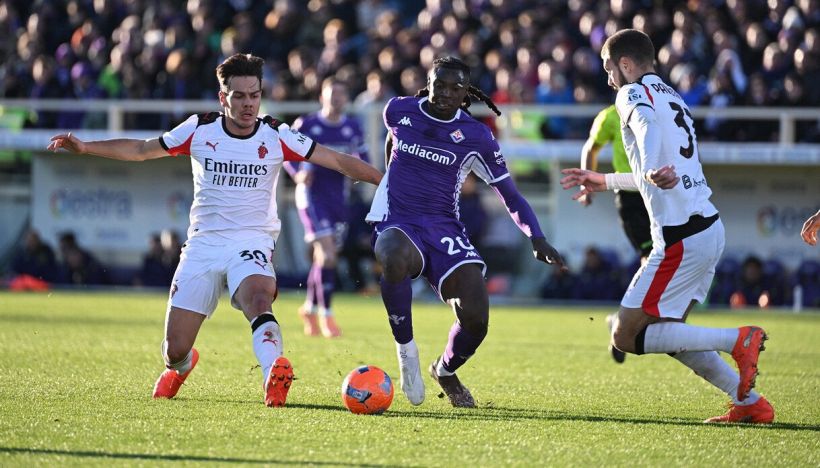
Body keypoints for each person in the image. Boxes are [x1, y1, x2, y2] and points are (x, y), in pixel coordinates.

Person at [47, 53, 382, 407]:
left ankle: (274, 372)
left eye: (254, 95)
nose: (248, 103)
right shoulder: (199, 129)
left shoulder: (277, 134)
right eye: (239, 96)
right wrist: (85, 147)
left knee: (258, 297)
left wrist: (384, 180)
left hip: (252, 240)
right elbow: (143, 150)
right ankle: (182, 365)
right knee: (173, 350)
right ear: (224, 98)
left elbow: (338, 160)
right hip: (204, 245)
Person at [560, 30, 773, 424]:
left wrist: (656, 165)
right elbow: (652, 173)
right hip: (708, 229)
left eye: (609, 69)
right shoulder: (672, 96)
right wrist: (605, 180)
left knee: (624, 335)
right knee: (670, 333)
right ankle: (750, 404)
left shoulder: (631, 94)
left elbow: (644, 131)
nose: (608, 79)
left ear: (625, 65)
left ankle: (737, 339)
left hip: (681, 239)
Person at [367, 56, 566, 408]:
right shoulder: (398, 110)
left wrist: (535, 236)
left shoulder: (476, 136)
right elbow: (392, 142)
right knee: (391, 253)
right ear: (428, 82)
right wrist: (389, 184)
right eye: (439, 84)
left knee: (476, 317)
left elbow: (510, 194)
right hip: (401, 219)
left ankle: (444, 369)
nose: (445, 93)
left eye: (455, 88)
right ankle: (406, 352)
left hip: (444, 225)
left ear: (465, 94)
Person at [284, 77, 369, 338]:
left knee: (325, 258)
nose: (336, 99)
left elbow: (364, 157)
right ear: (322, 97)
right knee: (329, 255)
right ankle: (327, 316)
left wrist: (361, 173)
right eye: (332, 95)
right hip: (311, 195)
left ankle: (309, 308)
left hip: (338, 198)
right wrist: (298, 173)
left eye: (341, 95)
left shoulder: (352, 128)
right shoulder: (308, 124)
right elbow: (288, 153)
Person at [578, 104, 652, 364]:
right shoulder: (610, 116)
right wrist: (587, 185)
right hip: (630, 196)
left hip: (657, 194)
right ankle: (624, 323)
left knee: (665, 259)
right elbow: (592, 147)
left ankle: (626, 322)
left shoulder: (653, 108)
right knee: (651, 259)